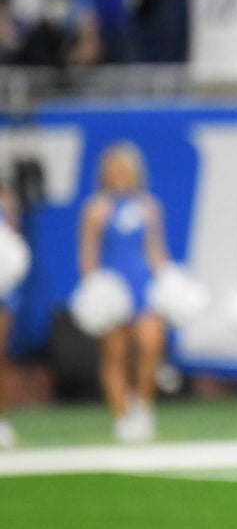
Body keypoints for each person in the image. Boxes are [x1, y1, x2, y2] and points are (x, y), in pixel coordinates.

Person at [77, 142, 172, 443]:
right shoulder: (96, 208)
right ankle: (121, 417)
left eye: (122, 169)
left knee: (150, 344)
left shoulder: (149, 206)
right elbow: (88, 254)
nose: (117, 174)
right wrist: (94, 289)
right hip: (112, 288)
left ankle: (143, 407)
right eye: (112, 169)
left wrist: (168, 282)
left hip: (142, 284)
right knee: (114, 354)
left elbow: (156, 250)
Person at [0, 181, 24, 450]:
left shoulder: (5, 198)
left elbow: (12, 239)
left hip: (2, 290)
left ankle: (1, 418)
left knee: (1, 354)